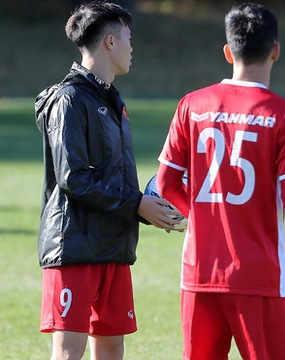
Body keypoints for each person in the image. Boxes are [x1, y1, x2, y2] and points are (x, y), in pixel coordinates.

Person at [155, 3, 285, 359]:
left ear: (228, 51)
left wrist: (199, 218)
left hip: (200, 272)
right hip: (257, 276)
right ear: (276, 50)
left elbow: (166, 184)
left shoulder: (191, 104)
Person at [34, 2, 181, 359]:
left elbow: (112, 178)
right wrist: (136, 204)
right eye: (129, 38)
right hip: (75, 248)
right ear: (110, 43)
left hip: (113, 245)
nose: (133, 47)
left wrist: (148, 209)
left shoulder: (114, 101)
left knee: (112, 347)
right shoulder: (69, 100)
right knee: (70, 350)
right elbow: (74, 178)